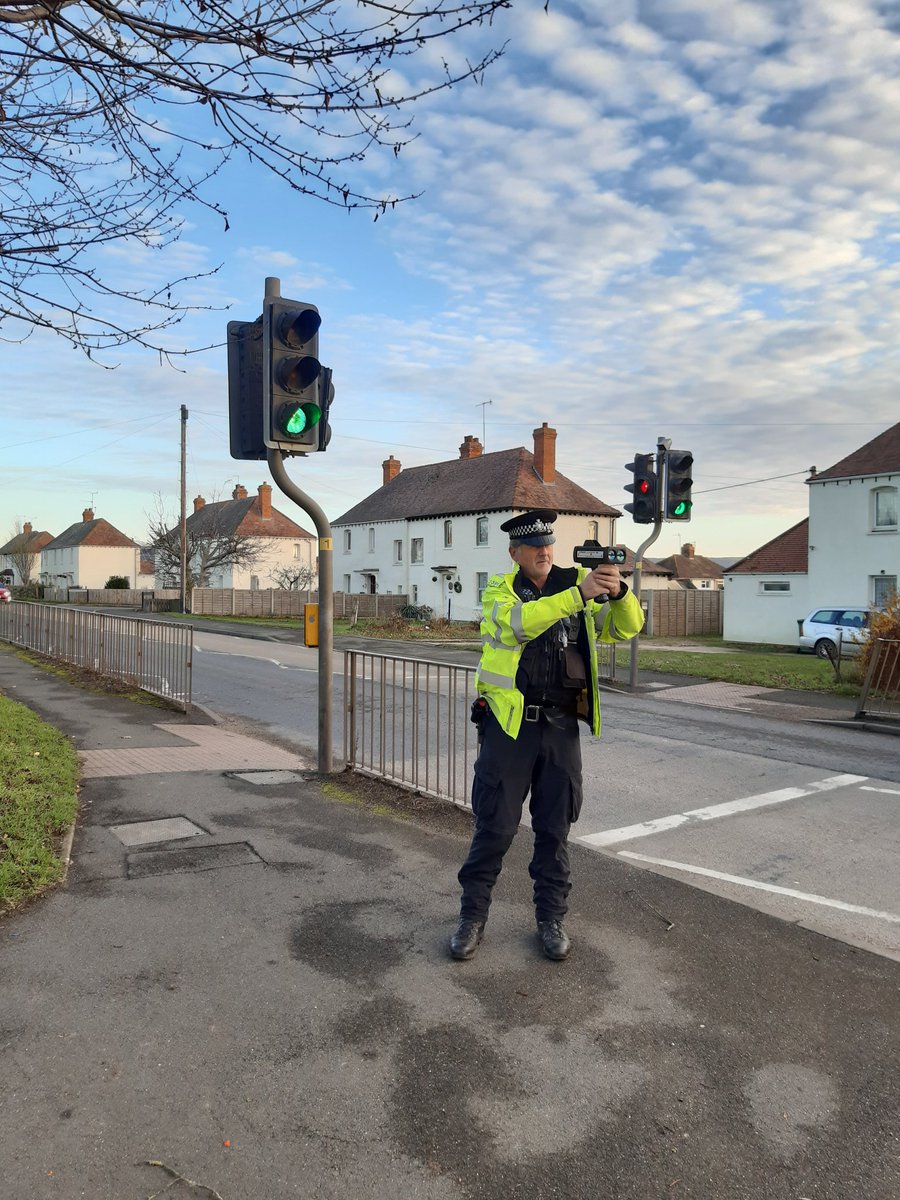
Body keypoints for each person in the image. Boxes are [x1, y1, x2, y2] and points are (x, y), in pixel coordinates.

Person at [450, 509, 644, 962]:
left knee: (554, 831)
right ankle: (471, 918)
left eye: (548, 544)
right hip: (509, 727)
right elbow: (517, 625)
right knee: (495, 827)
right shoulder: (501, 590)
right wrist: (578, 595)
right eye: (533, 546)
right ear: (515, 553)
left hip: (560, 727)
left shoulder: (576, 581)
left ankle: (551, 918)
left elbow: (623, 628)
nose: (543, 551)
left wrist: (620, 594)